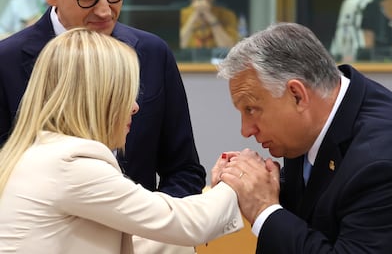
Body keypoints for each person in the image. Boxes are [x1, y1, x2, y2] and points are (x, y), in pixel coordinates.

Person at [0, 0, 206, 252]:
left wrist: (150, 232)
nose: (104, 9)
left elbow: (185, 171)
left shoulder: (152, 54)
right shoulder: (6, 62)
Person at [0, 28, 243, 254]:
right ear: (97, 99)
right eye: (126, 93)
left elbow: (143, 235)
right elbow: (184, 224)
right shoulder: (71, 166)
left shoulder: (40, 154)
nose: (135, 107)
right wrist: (238, 181)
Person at [215, 22, 392, 253]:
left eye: (251, 109)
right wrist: (252, 181)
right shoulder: (317, 118)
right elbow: (319, 204)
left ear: (297, 95)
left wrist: (264, 209)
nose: (246, 130)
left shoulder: (381, 164)